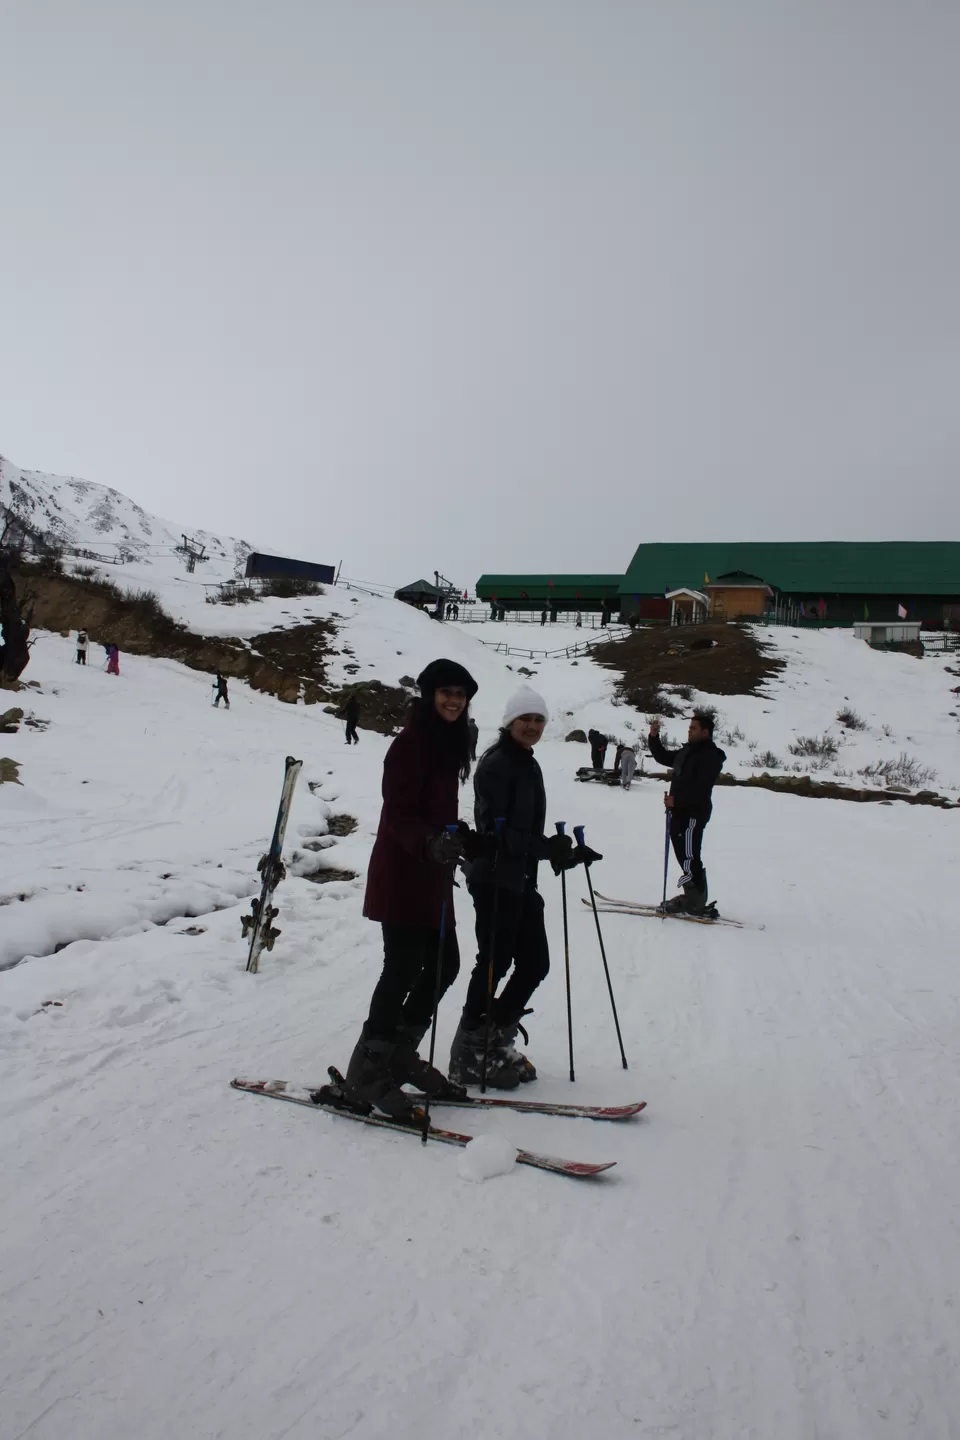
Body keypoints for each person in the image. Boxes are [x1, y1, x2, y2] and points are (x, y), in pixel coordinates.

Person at [344, 658, 480, 1119]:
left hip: (433, 873)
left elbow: (435, 809)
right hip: (404, 871)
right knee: (402, 967)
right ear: (427, 694)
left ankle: (398, 1053)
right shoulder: (410, 745)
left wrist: (461, 834)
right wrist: (429, 842)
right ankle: (367, 1070)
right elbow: (399, 814)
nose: (453, 700)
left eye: (460, 695)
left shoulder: (447, 744)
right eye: (446, 692)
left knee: (445, 964)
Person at [448, 685, 600, 1088]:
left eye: (538, 720)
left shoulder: (525, 761)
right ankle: (468, 1053)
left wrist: (559, 852)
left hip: (520, 878)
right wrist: (546, 848)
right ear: (509, 722)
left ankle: (493, 1040)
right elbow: (498, 832)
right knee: (494, 961)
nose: (532, 726)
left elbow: (523, 831)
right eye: (525, 719)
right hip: (494, 876)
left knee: (535, 963)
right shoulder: (498, 764)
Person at [647, 712, 726, 914]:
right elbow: (664, 757)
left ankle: (695, 901)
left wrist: (678, 800)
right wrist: (654, 738)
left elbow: (701, 788)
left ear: (705, 732)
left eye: (693, 728)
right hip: (679, 812)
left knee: (690, 857)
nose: (689, 731)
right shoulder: (688, 752)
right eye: (689, 728)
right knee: (684, 855)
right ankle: (692, 896)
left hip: (693, 814)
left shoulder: (709, 757)